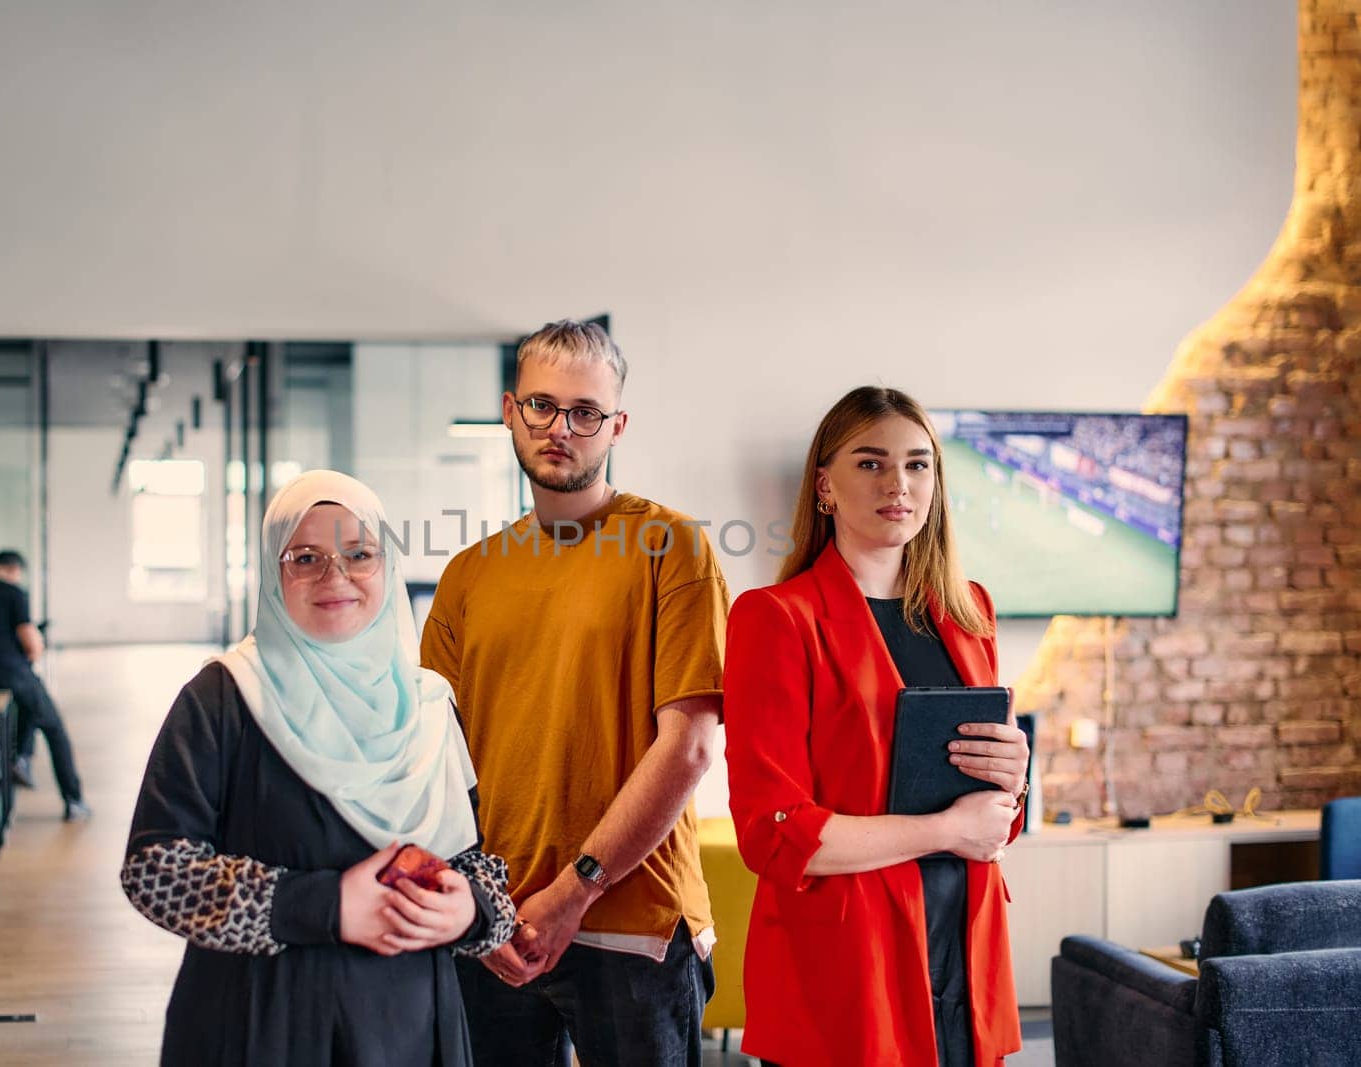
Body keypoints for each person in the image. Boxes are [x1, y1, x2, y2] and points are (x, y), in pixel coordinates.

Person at [121, 470, 516, 1066]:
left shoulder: (430, 706)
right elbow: (154, 871)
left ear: (387, 565)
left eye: (360, 554)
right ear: (274, 574)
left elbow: (475, 860)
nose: (336, 577)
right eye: (306, 558)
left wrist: (473, 911)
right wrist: (323, 905)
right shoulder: (223, 697)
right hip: (261, 1024)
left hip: (409, 1028)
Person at [421, 320, 726, 1066]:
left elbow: (688, 746)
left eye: (585, 412)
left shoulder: (672, 546)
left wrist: (577, 887)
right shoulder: (468, 573)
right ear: (509, 411)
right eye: (542, 406)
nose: (562, 427)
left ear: (615, 424)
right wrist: (477, 908)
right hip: (497, 933)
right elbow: (432, 755)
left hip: (633, 931)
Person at [723, 386, 1031, 1066]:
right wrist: (948, 830)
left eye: (918, 464)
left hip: (962, 945)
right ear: (825, 486)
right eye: (871, 462)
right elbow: (774, 834)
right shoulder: (776, 618)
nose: (899, 482)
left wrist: (1014, 778)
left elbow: (992, 818)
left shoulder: (969, 611)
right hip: (847, 964)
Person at [0, 549, 91, 821]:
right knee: (54, 727)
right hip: (13, 674)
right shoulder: (13, 593)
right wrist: (36, 649)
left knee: (24, 717)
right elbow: (31, 642)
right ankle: (74, 800)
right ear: (15, 570)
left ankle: (19, 760)